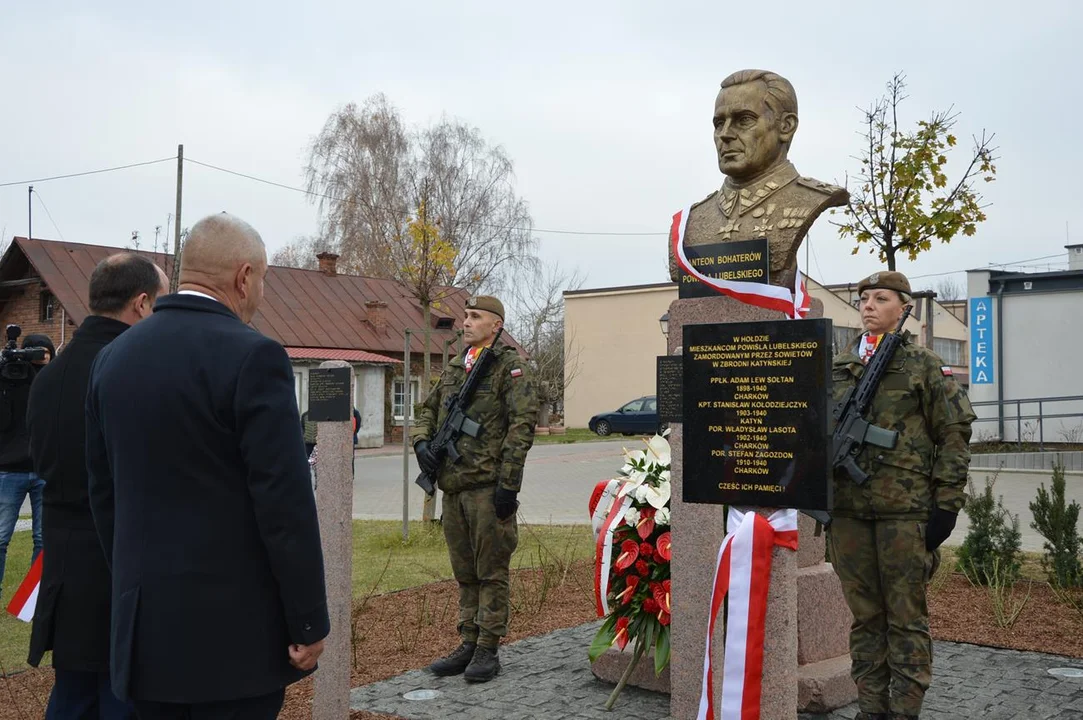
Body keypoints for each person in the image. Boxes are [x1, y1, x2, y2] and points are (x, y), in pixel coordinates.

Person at [86, 213, 329, 719]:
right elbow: (283, 503)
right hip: (234, 643)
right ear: (243, 277)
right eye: (263, 279)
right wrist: (307, 620)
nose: (261, 292)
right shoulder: (254, 357)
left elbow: (104, 491)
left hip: (145, 635)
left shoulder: (113, 357)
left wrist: (133, 586)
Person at [828, 271, 976, 720]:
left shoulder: (923, 364)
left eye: (881, 298)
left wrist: (947, 503)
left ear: (902, 306)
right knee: (865, 617)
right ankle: (870, 708)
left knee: (905, 618)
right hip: (849, 511)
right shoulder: (838, 366)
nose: (868, 305)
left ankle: (905, 709)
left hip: (904, 511)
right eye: (864, 298)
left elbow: (953, 432)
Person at [27, 253, 168, 720]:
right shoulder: (135, 370)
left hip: (65, 570)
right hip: (119, 563)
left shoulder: (47, 377)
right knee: (120, 701)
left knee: (71, 697)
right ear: (143, 304)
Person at [411, 295, 538, 683]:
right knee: (465, 571)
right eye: (465, 316)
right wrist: (421, 443)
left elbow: (521, 428)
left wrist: (508, 487)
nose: (465, 323)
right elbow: (428, 409)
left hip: (487, 488)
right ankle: (468, 640)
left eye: (475, 317)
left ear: (495, 325)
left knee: (491, 570)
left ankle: (488, 647)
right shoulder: (454, 367)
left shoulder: (509, 368)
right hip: (454, 488)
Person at [668, 69, 848, 290]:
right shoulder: (692, 221)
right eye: (718, 123)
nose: (725, 134)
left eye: (744, 120)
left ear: (786, 126)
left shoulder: (811, 198)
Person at [0, 332, 53, 600]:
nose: (39, 359)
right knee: (0, 537)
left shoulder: (54, 380)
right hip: (10, 470)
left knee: (44, 538)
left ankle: (34, 599)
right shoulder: (8, 378)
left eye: (45, 354)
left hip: (45, 468)